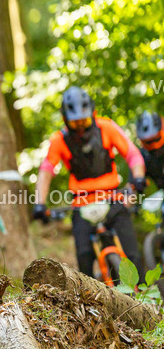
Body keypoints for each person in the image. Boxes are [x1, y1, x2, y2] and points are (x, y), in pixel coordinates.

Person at [32, 86, 146, 279]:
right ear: (65, 120)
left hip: (113, 198)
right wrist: (39, 203)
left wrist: (139, 177)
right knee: (84, 259)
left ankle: (145, 299)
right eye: (75, 123)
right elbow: (46, 171)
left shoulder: (107, 127)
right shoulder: (59, 140)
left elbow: (132, 154)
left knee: (132, 253)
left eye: (84, 121)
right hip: (81, 205)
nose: (81, 127)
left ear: (93, 114)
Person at [136, 111, 164, 191]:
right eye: (148, 142)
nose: (154, 146)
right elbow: (134, 181)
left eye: (156, 139)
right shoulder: (143, 157)